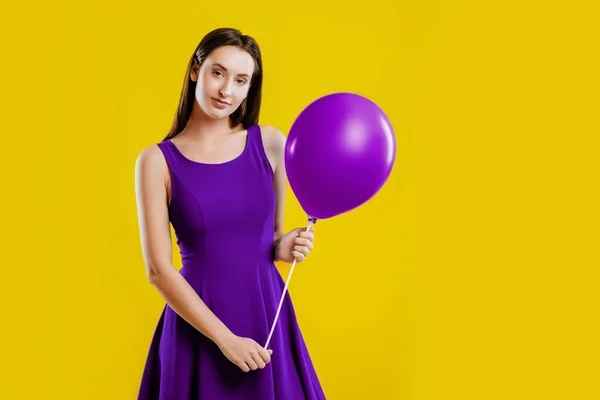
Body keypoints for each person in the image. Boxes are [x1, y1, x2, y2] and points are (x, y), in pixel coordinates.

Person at [134, 27, 327, 399]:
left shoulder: (270, 144)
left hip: (265, 312)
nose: (227, 91)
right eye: (218, 73)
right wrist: (226, 340)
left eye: (241, 80)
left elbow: (271, 239)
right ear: (195, 70)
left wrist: (285, 246)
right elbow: (158, 269)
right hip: (198, 324)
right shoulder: (155, 161)